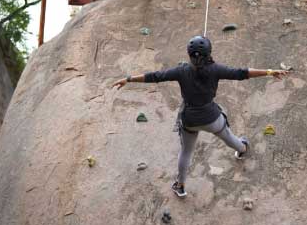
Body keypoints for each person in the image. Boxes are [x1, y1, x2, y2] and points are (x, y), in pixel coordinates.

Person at [112, 35, 290, 198]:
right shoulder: (216, 69)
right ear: (209, 53)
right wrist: (269, 72)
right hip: (211, 118)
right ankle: (242, 150)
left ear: (189, 54)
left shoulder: (181, 71)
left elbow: (155, 76)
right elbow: (242, 73)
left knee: (186, 152)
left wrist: (128, 79)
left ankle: (180, 186)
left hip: (190, 120)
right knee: (228, 136)